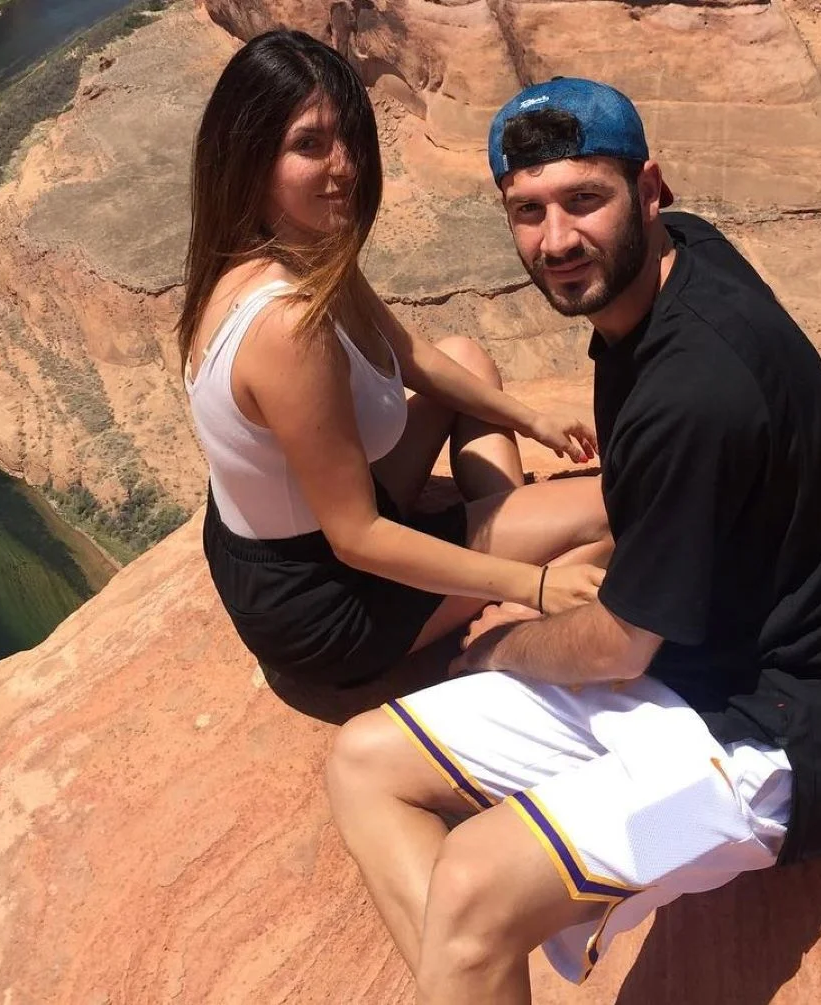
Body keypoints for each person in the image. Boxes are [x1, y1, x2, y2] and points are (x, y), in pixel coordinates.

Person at [326, 78, 821, 1002]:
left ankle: (481, 948)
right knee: (363, 765)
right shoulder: (673, 265)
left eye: (583, 200)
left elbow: (615, 644)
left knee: (474, 887)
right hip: (670, 677)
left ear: (649, 190)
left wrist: (498, 649)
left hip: (764, 763)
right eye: (528, 211)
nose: (556, 240)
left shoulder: (695, 390)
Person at [178, 33, 612, 691]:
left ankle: (506, 529)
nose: (346, 164)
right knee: (613, 511)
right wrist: (535, 583)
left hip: (286, 542)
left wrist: (532, 420)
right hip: (328, 599)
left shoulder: (286, 250)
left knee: (464, 358)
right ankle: (503, 626)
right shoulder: (286, 327)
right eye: (309, 144)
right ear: (249, 153)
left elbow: (407, 354)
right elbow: (357, 538)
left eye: (349, 136)